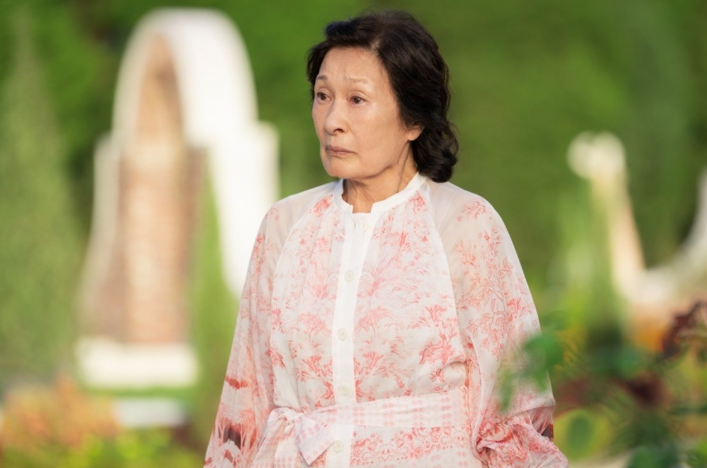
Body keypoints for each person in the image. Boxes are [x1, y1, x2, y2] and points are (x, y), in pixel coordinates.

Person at [204, 10, 568, 468]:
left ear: (413, 120)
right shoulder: (285, 225)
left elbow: (512, 407)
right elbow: (246, 400)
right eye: (322, 96)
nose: (332, 120)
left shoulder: (465, 225)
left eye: (357, 99)